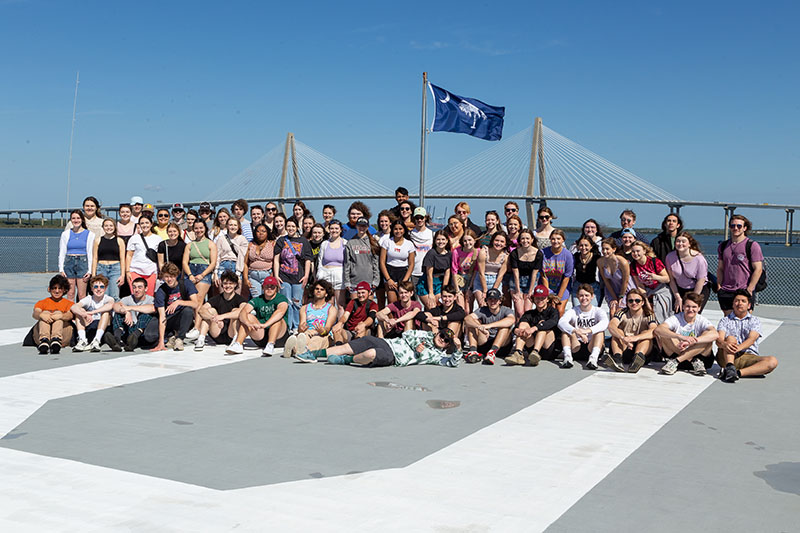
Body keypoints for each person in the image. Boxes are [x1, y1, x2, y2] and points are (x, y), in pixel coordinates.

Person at [294, 327, 459, 368]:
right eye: (442, 335)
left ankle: (345, 360)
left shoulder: (437, 355)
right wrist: (417, 345)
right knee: (356, 343)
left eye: (446, 341)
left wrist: (458, 350)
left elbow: (452, 362)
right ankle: (312, 354)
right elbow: (407, 334)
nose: (442, 339)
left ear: (447, 345)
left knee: (372, 354)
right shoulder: (425, 335)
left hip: (394, 357)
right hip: (387, 342)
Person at [716, 290, 778, 383]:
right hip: (727, 355)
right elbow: (719, 339)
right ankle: (729, 367)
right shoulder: (725, 320)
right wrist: (725, 344)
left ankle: (736, 373)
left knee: (772, 361)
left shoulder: (754, 321)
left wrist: (738, 348)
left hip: (748, 356)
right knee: (731, 338)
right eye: (737, 301)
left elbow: (751, 339)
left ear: (749, 305)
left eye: (743, 301)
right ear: (733, 304)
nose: (739, 303)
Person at [655, 293, 716, 376]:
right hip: (678, 352)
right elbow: (658, 329)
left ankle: (677, 361)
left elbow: (715, 334)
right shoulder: (676, 318)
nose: (690, 309)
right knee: (666, 334)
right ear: (683, 307)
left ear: (699, 308)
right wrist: (680, 336)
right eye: (688, 306)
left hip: (699, 361)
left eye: (694, 307)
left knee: (707, 335)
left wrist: (693, 341)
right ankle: (688, 359)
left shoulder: (701, 320)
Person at [228, 276, 289, 356]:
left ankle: (270, 344)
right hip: (261, 334)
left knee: (277, 320)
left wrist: (266, 324)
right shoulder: (257, 300)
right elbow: (243, 312)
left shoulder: (281, 298)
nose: (269, 289)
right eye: (267, 286)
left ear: (276, 288)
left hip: (279, 335)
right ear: (263, 288)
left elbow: (280, 312)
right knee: (248, 316)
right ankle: (238, 344)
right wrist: (248, 323)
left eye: (272, 287)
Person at [716, 214, 765, 315]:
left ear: (744, 228)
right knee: (728, 321)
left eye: (739, 226)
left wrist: (750, 289)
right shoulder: (723, 246)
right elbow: (720, 268)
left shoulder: (752, 246)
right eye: (733, 226)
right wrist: (719, 286)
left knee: (744, 321)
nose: (735, 228)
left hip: (744, 289)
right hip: (726, 289)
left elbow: (758, 269)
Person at [604, 287, 657, 373]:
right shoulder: (622, 313)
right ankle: (618, 359)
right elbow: (611, 326)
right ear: (627, 303)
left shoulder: (648, 315)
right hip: (625, 346)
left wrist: (635, 338)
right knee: (618, 331)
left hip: (641, 349)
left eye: (637, 301)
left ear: (642, 302)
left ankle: (637, 359)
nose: (634, 303)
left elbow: (654, 330)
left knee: (646, 334)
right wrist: (622, 337)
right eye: (630, 301)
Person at [273, 218, 313, 332]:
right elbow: (276, 259)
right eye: (288, 226)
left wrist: (306, 275)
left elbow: (308, 260)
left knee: (297, 303)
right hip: (284, 276)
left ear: (297, 228)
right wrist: (276, 275)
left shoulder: (303, 241)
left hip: (298, 277)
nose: (290, 228)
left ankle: (296, 326)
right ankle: (287, 327)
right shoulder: (281, 240)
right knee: (286, 303)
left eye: (292, 226)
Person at [505, 285, 560, 366]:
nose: (540, 300)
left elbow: (553, 322)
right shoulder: (529, 314)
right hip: (532, 346)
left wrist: (535, 328)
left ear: (547, 299)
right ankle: (518, 353)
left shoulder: (553, 311)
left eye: (542, 298)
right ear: (533, 299)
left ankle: (536, 352)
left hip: (548, 348)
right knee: (523, 325)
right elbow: (517, 325)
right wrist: (516, 330)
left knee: (543, 326)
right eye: (537, 298)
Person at [557, 284, 609, 369]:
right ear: (577, 296)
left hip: (591, 347)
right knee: (566, 331)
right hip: (576, 346)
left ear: (592, 296)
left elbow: (605, 323)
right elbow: (561, 322)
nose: (584, 298)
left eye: (587, 295)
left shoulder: (598, 311)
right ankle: (568, 358)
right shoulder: (573, 310)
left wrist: (588, 330)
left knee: (600, 332)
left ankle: (593, 360)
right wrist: (577, 331)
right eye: (581, 295)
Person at [282, 279, 338, 358]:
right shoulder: (304, 308)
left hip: (323, 335)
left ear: (326, 294)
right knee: (303, 336)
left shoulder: (331, 309)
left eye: (322, 290)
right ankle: (299, 350)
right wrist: (301, 329)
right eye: (317, 289)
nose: (319, 291)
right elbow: (301, 326)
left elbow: (328, 328)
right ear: (313, 291)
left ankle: (297, 350)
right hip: (308, 332)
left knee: (316, 341)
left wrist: (322, 331)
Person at [193, 270, 247, 351]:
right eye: (225, 283)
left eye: (230, 284)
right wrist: (214, 319)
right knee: (210, 310)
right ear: (222, 284)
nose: (227, 286)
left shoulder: (240, 299)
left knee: (236, 311)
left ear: (235, 284)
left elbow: (244, 310)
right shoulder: (216, 298)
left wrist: (222, 317)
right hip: (217, 331)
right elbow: (201, 310)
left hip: (231, 333)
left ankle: (236, 341)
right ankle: (201, 339)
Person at [152, 263, 199, 352]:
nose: (169, 279)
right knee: (149, 336)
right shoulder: (161, 291)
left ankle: (180, 339)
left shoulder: (186, 283)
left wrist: (178, 302)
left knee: (188, 310)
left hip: (181, 317)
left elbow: (196, 304)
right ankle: (170, 335)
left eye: (172, 276)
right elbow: (162, 316)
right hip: (168, 318)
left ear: (176, 275)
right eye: (166, 276)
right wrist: (161, 342)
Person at [463, 287, 515, 365]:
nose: (492, 302)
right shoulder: (482, 310)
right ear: (486, 301)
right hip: (485, 343)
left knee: (505, 327)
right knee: (472, 324)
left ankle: (492, 352)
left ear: (500, 301)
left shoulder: (506, 310)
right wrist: (479, 326)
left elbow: (511, 320)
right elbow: (467, 319)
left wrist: (488, 326)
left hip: (502, 347)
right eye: (490, 299)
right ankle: (473, 351)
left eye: (495, 299)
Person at [666, 231, 710, 312]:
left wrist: (692, 299)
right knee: (678, 312)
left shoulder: (699, 259)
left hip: (698, 289)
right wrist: (677, 297)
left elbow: (701, 280)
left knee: (692, 312)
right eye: (678, 241)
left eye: (683, 241)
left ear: (689, 244)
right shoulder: (670, 257)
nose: (680, 243)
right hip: (680, 289)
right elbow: (671, 279)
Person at [630, 241, 673, 323]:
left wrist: (655, 277)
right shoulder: (633, 266)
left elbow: (667, 279)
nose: (635, 253)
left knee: (661, 314)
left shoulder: (654, 262)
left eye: (638, 251)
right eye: (633, 251)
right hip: (647, 290)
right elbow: (639, 285)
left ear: (644, 251)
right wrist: (645, 300)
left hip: (660, 289)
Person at [110, 276, 157, 351]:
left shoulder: (151, 299)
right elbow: (115, 306)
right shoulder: (128, 298)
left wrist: (130, 308)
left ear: (146, 289)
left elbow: (153, 308)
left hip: (141, 334)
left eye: (139, 287)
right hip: (128, 329)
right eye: (134, 287)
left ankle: (133, 339)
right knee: (118, 313)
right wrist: (126, 312)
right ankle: (117, 339)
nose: (136, 290)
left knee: (145, 314)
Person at [30, 274, 74, 355]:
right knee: (44, 313)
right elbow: (35, 313)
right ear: (49, 289)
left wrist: (61, 316)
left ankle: (56, 340)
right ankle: (44, 340)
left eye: (60, 288)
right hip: (41, 332)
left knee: (58, 314)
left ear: (64, 290)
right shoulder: (42, 303)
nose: (57, 291)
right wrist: (41, 315)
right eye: (54, 288)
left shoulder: (69, 304)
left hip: (63, 334)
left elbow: (70, 315)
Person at [71, 274, 115, 352]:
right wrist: (84, 314)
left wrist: (92, 312)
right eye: (96, 287)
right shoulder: (89, 299)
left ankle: (96, 340)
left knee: (105, 313)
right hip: (90, 325)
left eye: (101, 287)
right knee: (79, 311)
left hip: (104, 327)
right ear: (91, 288)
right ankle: (83, 340)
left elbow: (110, 306)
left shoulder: (108, 298)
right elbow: (73, 307)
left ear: (105, 289)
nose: (98, 289)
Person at [183, 220, 217, 319]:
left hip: (204, 270)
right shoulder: (189, 245)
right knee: (190, 299)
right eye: (196, 228)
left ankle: (197, 327)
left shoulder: (210, 244)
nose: (199, 230)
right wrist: (190, 275)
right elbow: (185, 262)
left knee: (199, 299)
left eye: (201, 228)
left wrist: (202, 275)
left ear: (205, 228)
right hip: (191, 270)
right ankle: (192, 321)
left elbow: (213, 263)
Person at [59, 209, 95, 301]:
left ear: (82, 219)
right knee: (70, 293)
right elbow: (62, 252)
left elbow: (90, 253)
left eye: (78, 218)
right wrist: (61, 269)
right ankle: (70, 314)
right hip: (69, 263)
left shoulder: (90, 234)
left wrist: (90, 270)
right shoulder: (65, 234)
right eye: (73, 218)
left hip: (82, 263)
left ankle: (81, 314)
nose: (76, 220)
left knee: (81, 294)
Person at [380, 219, 416, 305]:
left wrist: (405, 280)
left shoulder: (409, 244)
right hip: (390, 273)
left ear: (404, 230)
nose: (398, 231)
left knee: (403, 301)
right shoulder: (387, 242)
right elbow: (382, 262)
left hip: (403, 273)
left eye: (400, 229)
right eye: (396, 229)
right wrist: (388, 279)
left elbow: (411, 264)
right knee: (392, 302)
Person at [343, 217, 380, 299]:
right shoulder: (350, 242)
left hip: (369, 281)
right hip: (354, 281)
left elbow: (376, 263)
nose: (362, 228)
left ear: (367, 227)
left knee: (368, 308)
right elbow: (347, 264)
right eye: (360, 226)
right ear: (356, 226)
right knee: (355, 308)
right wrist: (347, 281)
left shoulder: (373, 242)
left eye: (364, 226)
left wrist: (376, 280)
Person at [509, 228, 542, 319]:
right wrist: (518, 291)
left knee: (527, 311)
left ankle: (525, 330)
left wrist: (531, 291)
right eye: (523, 238)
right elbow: (515, 272)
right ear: (519, 240)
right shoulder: (515, 253)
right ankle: (517, 330)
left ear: (532, 239)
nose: (525, 241)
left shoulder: (538, 253)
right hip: (516, 281)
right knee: (519, 312)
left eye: (528, 238)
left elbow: (535, 274)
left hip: (531, 281)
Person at [125, 215, 162, 296]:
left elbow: (160, 257)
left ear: (151, 224)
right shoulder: (134, 238)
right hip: (135, 270)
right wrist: (127, 271)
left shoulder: (158, 239)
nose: (145, 225)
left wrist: (160, 271)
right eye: (142, 223)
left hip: (151, 271)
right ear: (139, 225)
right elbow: (129, 255)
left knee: (149, 296)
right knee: (136, 295)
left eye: (147, 223)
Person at [317, 219, 348, 311]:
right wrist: (320, 275)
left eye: (336, 228)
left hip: (340, 275)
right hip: (326, 274)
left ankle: (339, 325)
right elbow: (320, 261)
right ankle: (328, 324)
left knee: (340, 304)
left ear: (340, 230)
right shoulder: (325, 244)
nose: (334, 230)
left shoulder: (345, 243)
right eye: (332, 228)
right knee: (328, 304)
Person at [91, 218, 125, 300]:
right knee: (102, 295)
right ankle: (104, 312)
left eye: (111, 225)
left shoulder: (119, 240)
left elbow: (122, 259)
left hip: (115, 269)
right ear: (103, 227)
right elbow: (95, 258)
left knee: (114, 295)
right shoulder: (97, 240)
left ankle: (115, 313)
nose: (108, 227)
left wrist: (123, 275)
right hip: (101, 268)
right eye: (106, 226)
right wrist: (93, 274)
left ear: (114, 227)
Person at [541, 229, 574, 315]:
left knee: (559, 309)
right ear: (550, 239)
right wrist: (548, 294)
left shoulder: (568, 255)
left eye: (558, 239)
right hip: (547, 285)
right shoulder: (543, 253)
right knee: (548, 308)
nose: (556, 241)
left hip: (562, 285)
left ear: (563, 240)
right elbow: (543, 275)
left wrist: (558, 297)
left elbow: (567, 277)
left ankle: (559, 328)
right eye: (553, 239)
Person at [598, 238, 633, 316]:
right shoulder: (600, 262)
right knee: (612, 311)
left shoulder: (622, 262)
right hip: (612, 289)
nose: (604, 251)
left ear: (614, 249)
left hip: (626, 289)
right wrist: (614, 297)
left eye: (607, 249)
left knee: (619, 311)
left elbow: (626, 281)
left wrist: (621, 297)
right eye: (603, 249)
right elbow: (606, 281)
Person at [473, 232, 509, 308]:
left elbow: (500, 276)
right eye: (497, 240)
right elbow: (481, 273)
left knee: (494, 306)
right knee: (482, 304)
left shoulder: (505, 257)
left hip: (495, 280)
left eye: (502, 242)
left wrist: (494, 290)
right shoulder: (484, 252)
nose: (499, 243)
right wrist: (485, 291)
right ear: (492, 241)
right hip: (481, 280)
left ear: (505, 244)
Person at [419, 230, 452, 310]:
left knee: (440, 306)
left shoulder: (449, 254)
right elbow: (429, 274)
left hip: (440, 283)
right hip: (428, 283)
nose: (441, 242)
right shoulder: (431, 253)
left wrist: (443, 291)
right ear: (434, 241)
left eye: (443, 239)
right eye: (438, 239)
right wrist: (431, 293)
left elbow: (447, 274)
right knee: (431, 307)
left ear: (447, 241)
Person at [243, 223, 275, 298]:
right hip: (253, 276)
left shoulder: (272, 244)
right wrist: (245, 278)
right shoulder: (250, 245)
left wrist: (273, 276)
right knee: (256, 298)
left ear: (267, 233)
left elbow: (276, 262)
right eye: (258, 231)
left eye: (263, 231)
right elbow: (245, 263)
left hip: (267, 274)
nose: (261, 233)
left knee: (267, 297)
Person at [214, 217, 248, 286]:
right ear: (227, 226)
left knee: (236, 293)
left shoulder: (243, 239)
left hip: (236, 266)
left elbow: (241, 257)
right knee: (223, 292)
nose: (233, 227)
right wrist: (215, 272)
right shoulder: (221, 238)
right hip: (223, 265)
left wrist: (238, 273)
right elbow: (217, 256)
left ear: (238, 227)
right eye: (231, 225)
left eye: (235, 225)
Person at [571, 235, 602, 309]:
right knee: (578, 310)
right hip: (578, 287)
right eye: (581, 245)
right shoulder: (575, 256)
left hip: (593, 287)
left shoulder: (596, 257)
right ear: (578, 246)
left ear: (591, 246)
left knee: (592, 310)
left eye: (586, 245)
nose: (584, 248)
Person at [451, 230, 479, 311]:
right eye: (465, 241)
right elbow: (454, 270)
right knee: (461, 308)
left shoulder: (477, 252)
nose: (467, 243)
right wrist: (457, 290)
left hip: (471, 279)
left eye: (470, 240)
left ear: (474, 240)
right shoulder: (457, 251)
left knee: (468, 309)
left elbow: (476, 270)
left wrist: (470, 287)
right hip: (459, 279)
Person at [409, 207, 433, 289]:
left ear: (425, 218)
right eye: (417, 218)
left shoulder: (431, 234)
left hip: (428, 272)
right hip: (413, 272)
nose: (419, 220)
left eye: (421, 217)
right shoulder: (410, 234)